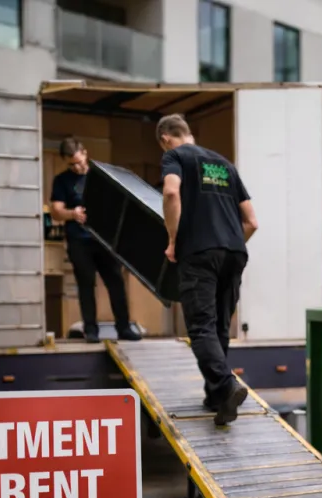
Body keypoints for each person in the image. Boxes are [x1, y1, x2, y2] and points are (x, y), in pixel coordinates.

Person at [157, 114, 259, 425]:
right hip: (235, 252)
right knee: (217, 328)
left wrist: (173, 239)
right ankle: (217, 395)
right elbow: (252, 221)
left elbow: (171, 192)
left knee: (200, 326)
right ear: (188, 132)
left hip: (199, 251)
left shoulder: (174, 157)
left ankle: (226, 386)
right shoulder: (224, 164)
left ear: (165, 139)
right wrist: (229, 244)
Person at [49, 136, 141, 343]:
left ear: (85, 153)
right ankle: (91, 331)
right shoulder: (62, 181)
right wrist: (73, 214)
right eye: (72, 164)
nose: (78, 167)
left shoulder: (102, 176)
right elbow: (56, 211)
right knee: (86, 284)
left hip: (105, 241)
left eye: (80, 161)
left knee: (116, 282)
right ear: (65, 161)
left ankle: (124, 328)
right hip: (79, 240)